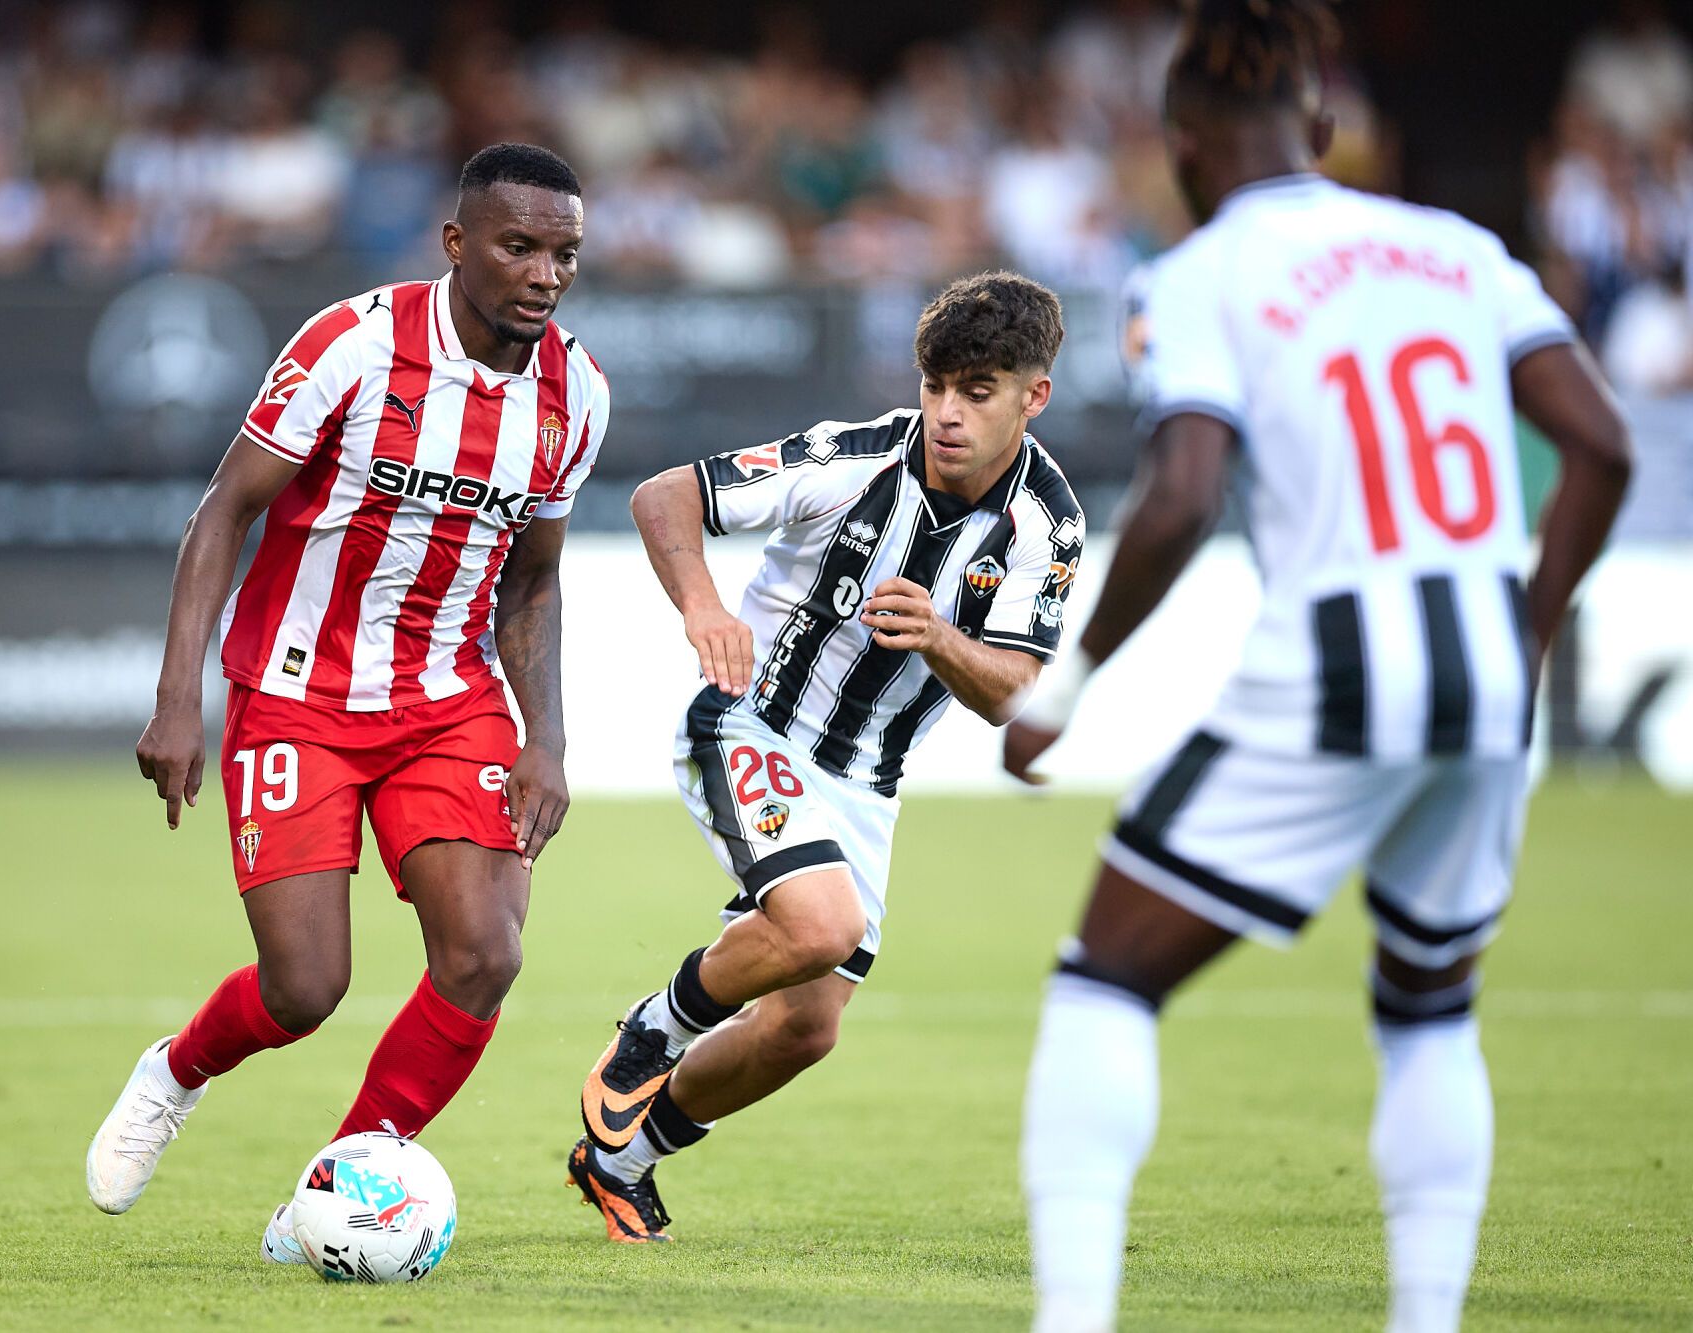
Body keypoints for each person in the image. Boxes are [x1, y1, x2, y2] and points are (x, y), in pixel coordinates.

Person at [1002, 5, 1633, 1331]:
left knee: (1108, 975)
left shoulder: (1198, 273)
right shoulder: (1458, 249)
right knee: (1427, 1005)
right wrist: (1527, 625)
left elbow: (1180, 496)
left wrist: (1067, 681)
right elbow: (1604, 445)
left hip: (1343, 658)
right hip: (1483, 669)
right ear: (1326, 130)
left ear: (1180, 144)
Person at [84, 143, 611, 1264]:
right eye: (518, 246)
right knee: (306, 984)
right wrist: (178, 696)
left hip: (445, 699)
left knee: (483, 952)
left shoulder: (576, 394)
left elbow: (532, 576)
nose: (543, 273)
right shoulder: (351, 344)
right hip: (291, 694)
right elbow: (224, 511)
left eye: (563, 252)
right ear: (457, 242)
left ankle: (339, 1187)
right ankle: (174, 1071)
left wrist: (547, 739)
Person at [568, 272, 1084, 1242]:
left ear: (1032, 395)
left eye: (976, 391)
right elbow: (663, 497)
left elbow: (1016, 696)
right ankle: (648, 1036)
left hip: (865, 782)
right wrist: (703, 609)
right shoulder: (849, 460)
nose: (946, 413)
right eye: (935, 386)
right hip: (747, 726)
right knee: (816, 924)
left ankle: (619, 1155)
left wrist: (936, 636)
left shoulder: (1043, 525)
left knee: (806, 1028)